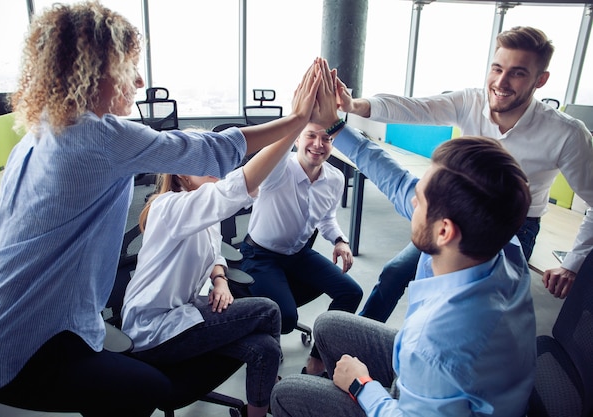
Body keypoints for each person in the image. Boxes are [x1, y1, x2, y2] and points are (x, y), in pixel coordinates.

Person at [0, 3, 322, 416]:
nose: (137, 80)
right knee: (142, 390)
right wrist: (297, 118)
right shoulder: (99, 136)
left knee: (139, 384)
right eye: (129, 66)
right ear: (92, 69)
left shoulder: (41, 131)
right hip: (15, 338)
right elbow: (217, 151)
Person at [271, 80, 536, 414]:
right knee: (328, 324)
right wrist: (336, 125)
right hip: (440, 378)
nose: (410, 200)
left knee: (288, 394)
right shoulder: (501, 244)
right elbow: (396, 180)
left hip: (418, 396)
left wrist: (361, 385)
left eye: (420, 200)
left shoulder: (436, 343)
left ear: (444, 231)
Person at [335, 26, 593, 323]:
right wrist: (354, 106)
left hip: (513, 229)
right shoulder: (471, 101)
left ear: (541, 79)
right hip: (457, 208)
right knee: (395, 273)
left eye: (518, 73)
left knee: (464, 310)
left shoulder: (567, 134)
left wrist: (572, 263)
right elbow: (415, 108)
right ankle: (356, 341)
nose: (501, 82)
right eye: (497, 68)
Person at [120, 63, 321, 417]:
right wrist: (297, 123)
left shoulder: (203, 212)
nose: (217, 168)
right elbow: (240, 186)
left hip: (182, 313)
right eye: (204, 162)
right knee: (267, 308)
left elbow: (214, 251)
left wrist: (219, 279)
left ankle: (258, 409)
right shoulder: (168, 208)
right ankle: (269, 398)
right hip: (152, 331)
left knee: (264, 348)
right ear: (182, 172)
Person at [238, 118, 364, 375]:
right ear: (296, 139)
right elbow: (269, 155)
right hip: (261, 254)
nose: (318, 144)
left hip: (298, 254)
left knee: (351, 292)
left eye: (327, 139)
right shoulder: (278, 169)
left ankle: (317, 360)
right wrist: (298, 117)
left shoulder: (335, 178)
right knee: (286, 318)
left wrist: (340, 240)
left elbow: (327, 218)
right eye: (310, 136)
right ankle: (264, 325)